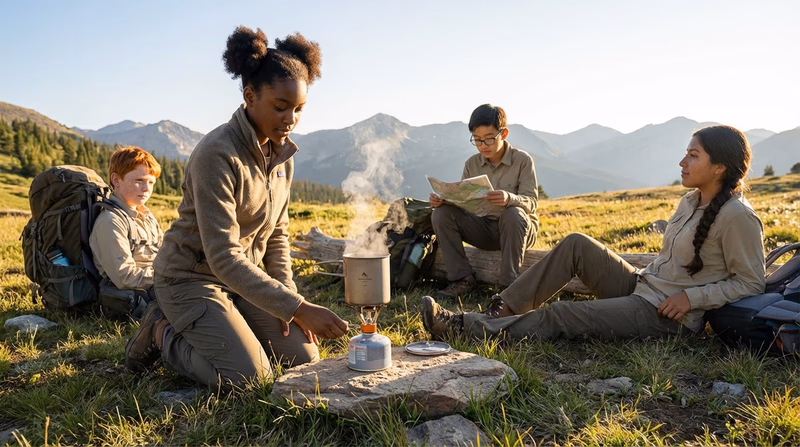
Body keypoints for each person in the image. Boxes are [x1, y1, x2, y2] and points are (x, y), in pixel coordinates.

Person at [124, 26, 349, 388]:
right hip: (190, 280)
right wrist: (299, 308)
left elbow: (277, 234)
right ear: (249, 96)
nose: (290, 119)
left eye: (299, 109)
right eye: (280, 107)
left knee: (303, 358)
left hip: (243, 283)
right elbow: (223, 257)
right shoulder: (216, 154)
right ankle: (161, 333)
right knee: (251, 379)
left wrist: (288, 302)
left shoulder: (283, 156)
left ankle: (233, 329)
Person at [422, 125, 766, 343]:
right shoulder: (689, 201)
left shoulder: (737, 216)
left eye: (693, 156)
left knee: (563, 315)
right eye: (685, 154)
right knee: (576, 244)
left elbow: (751, 282)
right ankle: (503, 307)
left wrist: (691, 300)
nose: (682, 162)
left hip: (666, 317)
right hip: (643, 285)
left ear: (719, 167)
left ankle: (466, 327)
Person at [429, 104, 539, 299]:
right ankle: (462, 279)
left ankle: (508, 287)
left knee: (512, 213)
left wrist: (509, 199)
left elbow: (532, 202)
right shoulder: (471, 164)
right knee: (441, 214)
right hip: (484, 228)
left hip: (517, 230)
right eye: (477, 140)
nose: (483, 145)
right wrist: (444, 200)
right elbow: (465, 202)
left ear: (503, 134)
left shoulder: (523, 160)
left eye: (489, 139)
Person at [89, 146, 162, 315]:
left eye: (151, 182)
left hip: (159, 284)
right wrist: (168, 277)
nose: (146, 189)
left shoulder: (146, 215)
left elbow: (165, 252)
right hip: (138, 295)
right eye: (139, 181)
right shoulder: (110, 222)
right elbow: (125, 277)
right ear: (116, 180)